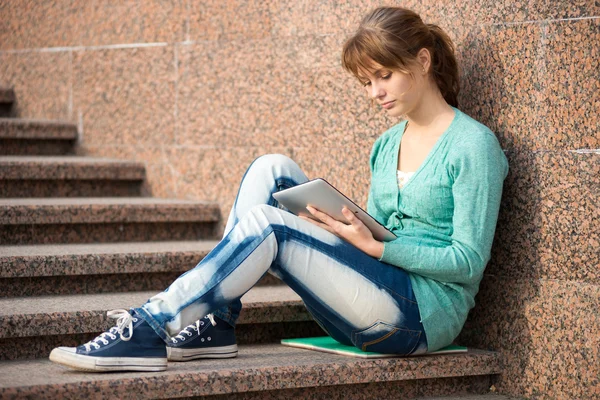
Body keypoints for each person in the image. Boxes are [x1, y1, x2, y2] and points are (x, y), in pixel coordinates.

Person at [49, 6, 508, 372]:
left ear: (422, 61)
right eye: (366, 82)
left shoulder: (473, 145)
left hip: (419, 318)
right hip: (370, 296)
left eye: (384, 76)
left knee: (273, 226)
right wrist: (344, 229)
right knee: (273, 168)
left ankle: (151, 324)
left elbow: (468, 262)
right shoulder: (387, 144)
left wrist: (378, 249)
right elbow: (379, 231)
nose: (374, 93)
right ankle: (218, 321)